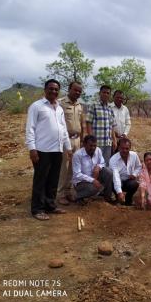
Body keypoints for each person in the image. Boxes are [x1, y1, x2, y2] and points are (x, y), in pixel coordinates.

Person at [25, 79, 71, 221]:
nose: (54, 91)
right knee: (41, 180)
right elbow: (30, 128)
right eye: (51, 89)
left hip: (57, 150)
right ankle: (37, 209)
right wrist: (32, 149)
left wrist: (68, 147)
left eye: (56, 89)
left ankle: (50, 205)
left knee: (53, 179)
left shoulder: (59, 108)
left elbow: (63, 129)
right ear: (45, 90)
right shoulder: (36, 106)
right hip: (42, 150)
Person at [56, 81, 86, 205]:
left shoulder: (80, 105)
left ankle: (69, 191)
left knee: (74, 167)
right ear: (69, 89)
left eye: (80, 91)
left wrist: (83, 139)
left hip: (77, 140)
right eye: (75, 90)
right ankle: (60, 194)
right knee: (64, 167)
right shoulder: (60, 103)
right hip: (65, 140)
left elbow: (82, 123)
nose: (77, 93)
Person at [72, 135, 113, 203]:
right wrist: (93, 180)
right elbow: (77, 174)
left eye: (95, 145)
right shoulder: (77, 155)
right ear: (84, 144)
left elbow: (103, 163)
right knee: (93, 189)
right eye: (91, 145)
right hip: (81, 182)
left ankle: (107, 198)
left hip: (94, 177)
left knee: (108, 172)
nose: (93, 148)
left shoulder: (98, 150)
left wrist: (98, 167)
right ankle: (76, 196)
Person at [86, 85, 117, 165]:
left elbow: (112, 125)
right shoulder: (93, 105)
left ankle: (104, 178)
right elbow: (88, 122)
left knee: (106, 164)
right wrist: (90, 140)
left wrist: (114, 140)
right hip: (97, 143)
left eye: (108, 93)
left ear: (110, 95)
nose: (106, 94)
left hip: (108, 143)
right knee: (95, 164)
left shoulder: (110, 108)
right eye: (104, 92)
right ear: (100, 93)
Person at [109, 138, 142, 206]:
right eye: (122, 148)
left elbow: (139, 167)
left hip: (128, 181)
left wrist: (134, 174)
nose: (124, 150)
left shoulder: (134, 155)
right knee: (112, 182)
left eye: (127, 148)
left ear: (130, 148)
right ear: (118, 148)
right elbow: (116, 177)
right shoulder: (113, 160)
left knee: (135, 184)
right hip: (117, 181)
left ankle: (128, 199)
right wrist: (119, 192)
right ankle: (118, 198)